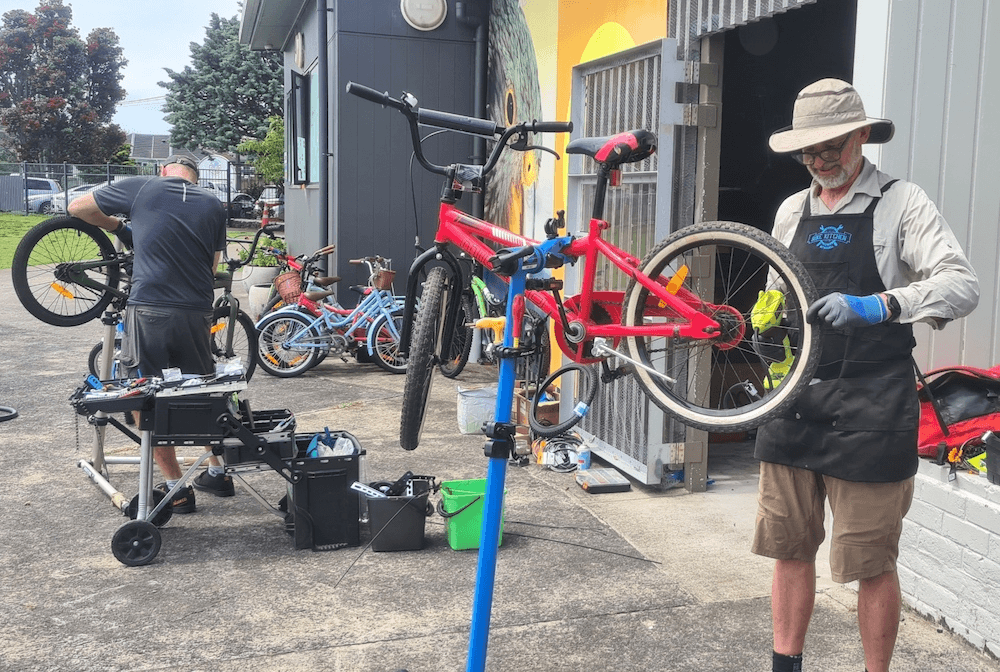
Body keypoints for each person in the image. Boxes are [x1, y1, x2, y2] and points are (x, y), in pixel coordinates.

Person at [752, 79, 979, 672]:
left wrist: (883, 304)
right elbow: (779, 290)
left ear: (860, 135)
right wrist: (767, 318)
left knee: (870, 560)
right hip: (795, 398)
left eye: (830, 144)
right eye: (808, 149)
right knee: (789, 547)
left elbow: (962, 285)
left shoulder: (904, 203)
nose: (819, 158)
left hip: (874, 404)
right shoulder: (791, 211)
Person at [68, 155, 236, 513]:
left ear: (164, 172)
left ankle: (176, 486)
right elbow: (212, 265)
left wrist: (116, 227)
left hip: (150, 308)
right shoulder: (213, 205)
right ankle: (217, 471)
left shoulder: (143, 186)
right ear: (194, 177)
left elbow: (77, 206)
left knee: (146, 395)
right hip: (197, 310)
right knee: (199, 389)